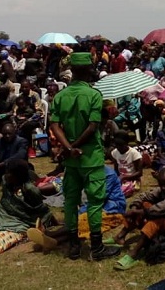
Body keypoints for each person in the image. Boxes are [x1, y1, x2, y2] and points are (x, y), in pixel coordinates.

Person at [49, 52, 120, 261]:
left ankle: (73, 246)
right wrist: (74, 146)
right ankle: (96, 248)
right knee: (95, 202)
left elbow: (54, 124)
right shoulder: (94, 95)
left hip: (71, 160)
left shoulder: (61, 96)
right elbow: (92, 126)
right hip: (90, 157)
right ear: (88, 70)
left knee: (70, 202)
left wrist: (67, 148)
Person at [112, 168, 165, 270]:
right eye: (160, 184)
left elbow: (159, 209)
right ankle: (121, 236)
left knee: (156, 220)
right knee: (144, 205)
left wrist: (136, 212)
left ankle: (133, 253)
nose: (163, 188)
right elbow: (144, 196)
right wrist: (135, 207)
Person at [111, 130, 143, 196]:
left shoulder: (134, 153)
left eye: (121, 145)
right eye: (117, 145)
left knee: (121, 191)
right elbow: (116, 169)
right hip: (120, 178)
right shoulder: (115, 152)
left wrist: (124, 177)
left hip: (132, 178)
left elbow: (139, 173)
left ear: (126, 143)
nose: (118, 148)